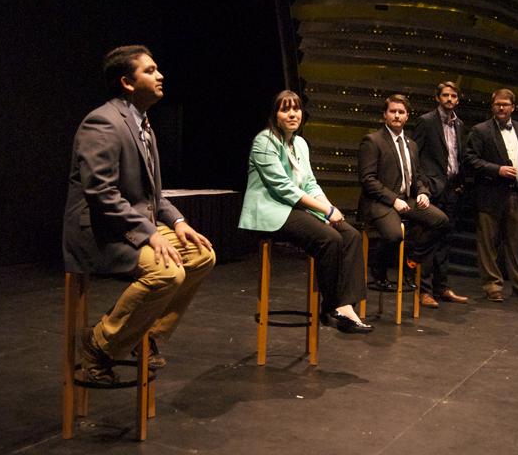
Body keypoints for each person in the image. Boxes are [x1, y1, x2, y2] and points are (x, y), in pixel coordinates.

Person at [62, 45, 216, 382]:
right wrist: (149, 233)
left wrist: (178, 222)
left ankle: (144, 336)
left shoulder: (143, 125)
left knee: (202, 255)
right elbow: (101, 194)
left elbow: (152, 196)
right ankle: (98, 345)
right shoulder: (103, 122)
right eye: (150, 70)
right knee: (167, 274)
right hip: (99, 232)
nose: (160, 76)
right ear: (127, 83)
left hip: (127, 227)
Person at [239, 90, 372, 334]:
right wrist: (325, 210)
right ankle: (332, 307)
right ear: (275, 115)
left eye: (296, 109)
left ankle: (346, 306)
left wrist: (331, 210)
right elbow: (283, 188)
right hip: (270, 210)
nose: (292, 114)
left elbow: (310, 183)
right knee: (329, 238)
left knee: (350, 234)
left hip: (294, 208)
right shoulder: (264, 141)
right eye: (285, 109)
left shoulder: (300, 143)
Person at [358, 94, 450, 309]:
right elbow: (367, 180)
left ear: (407, 116)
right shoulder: (372, 140)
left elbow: (418, 175)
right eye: (393, 111)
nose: (397, 115)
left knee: (441, 221)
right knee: (394, 235)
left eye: (401, 112)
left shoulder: (411, 144)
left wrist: (424, 192)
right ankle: (378, 269)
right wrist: (393, 201)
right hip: (379, 201)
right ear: (385, 115)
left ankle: (412, 257)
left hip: (407, 199)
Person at [463, 88, 518, 302]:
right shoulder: (480, 130)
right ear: (492, 106)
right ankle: (492, 286)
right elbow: (470, 160)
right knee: (488, 244)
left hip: (516, 195)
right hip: (489, 194)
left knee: (517, 243)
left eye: (505, 104)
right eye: (498, 104)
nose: (501, 107)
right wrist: (496, 169)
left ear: (513, 107)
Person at [410, 82, 469, 306]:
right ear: (437, 98)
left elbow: (457, 156)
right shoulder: (426, 121)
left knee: (445, 241)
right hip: (432, 190)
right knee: (428, 239)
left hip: (452, 189)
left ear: (458, 100)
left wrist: (460, 183)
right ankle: (424, 291)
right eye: (445, 95)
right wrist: (423, 185)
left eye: (453, 96)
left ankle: (441, 287)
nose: (449, 99)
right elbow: (415, 154)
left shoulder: (460, 125)